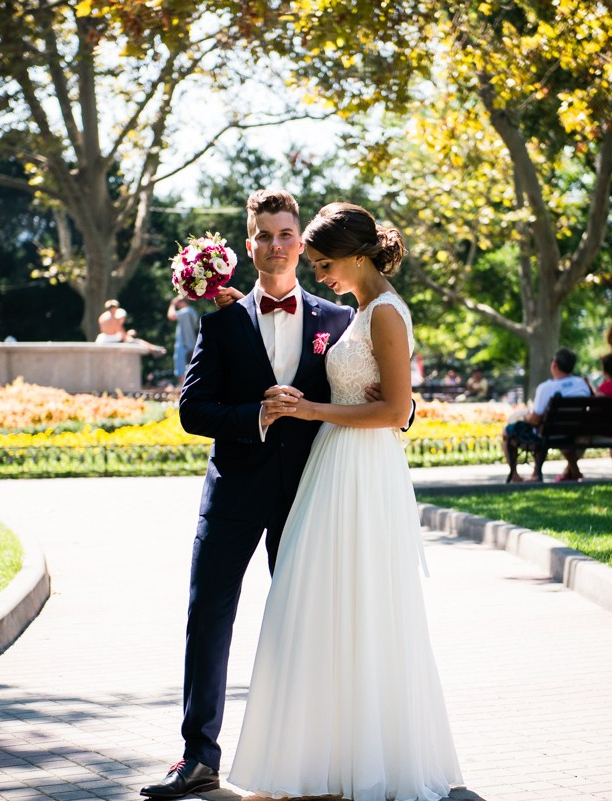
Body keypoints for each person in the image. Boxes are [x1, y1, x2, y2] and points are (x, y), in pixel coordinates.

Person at [229, 202, 462, 800]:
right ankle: (325, 760)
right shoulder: (362, 310)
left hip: (362, 469)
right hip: (335, 464)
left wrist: (311, 410)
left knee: (360, 602)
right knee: (321, 602)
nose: (319, 275)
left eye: (324, 264)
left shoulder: (385, 313)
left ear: (356, 256)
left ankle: (366, 761)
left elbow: (395, 411)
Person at [140, 190, 356, 800]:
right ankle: (198, 758)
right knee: (208, 618)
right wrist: (255, 415)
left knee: (306, 622)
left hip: (307, 496)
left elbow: (363, 395)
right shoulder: (223, 322)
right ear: (248, 244)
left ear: (301, 242)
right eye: (264, 234)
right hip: (232, 493)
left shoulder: (337, 320)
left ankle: (311, 758)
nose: (276, 244)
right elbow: (193, 410)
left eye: (286, 234)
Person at [506, 347, 592, 483]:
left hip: (549, 434)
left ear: (555, 364)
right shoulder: (581, 383)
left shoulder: (546, 387)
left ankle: (516, 476)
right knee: (551, 429)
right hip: (575, 432)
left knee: (507, 432)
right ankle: (572, 471)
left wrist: (525, 416)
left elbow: (535, 420)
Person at [166, 297, 200, 385]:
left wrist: (172, 304)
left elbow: (171, 316)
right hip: (192, 345)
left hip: (184, 345)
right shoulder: (192, 312)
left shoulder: (186, 311)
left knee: (181, 370)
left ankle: (183, 388)